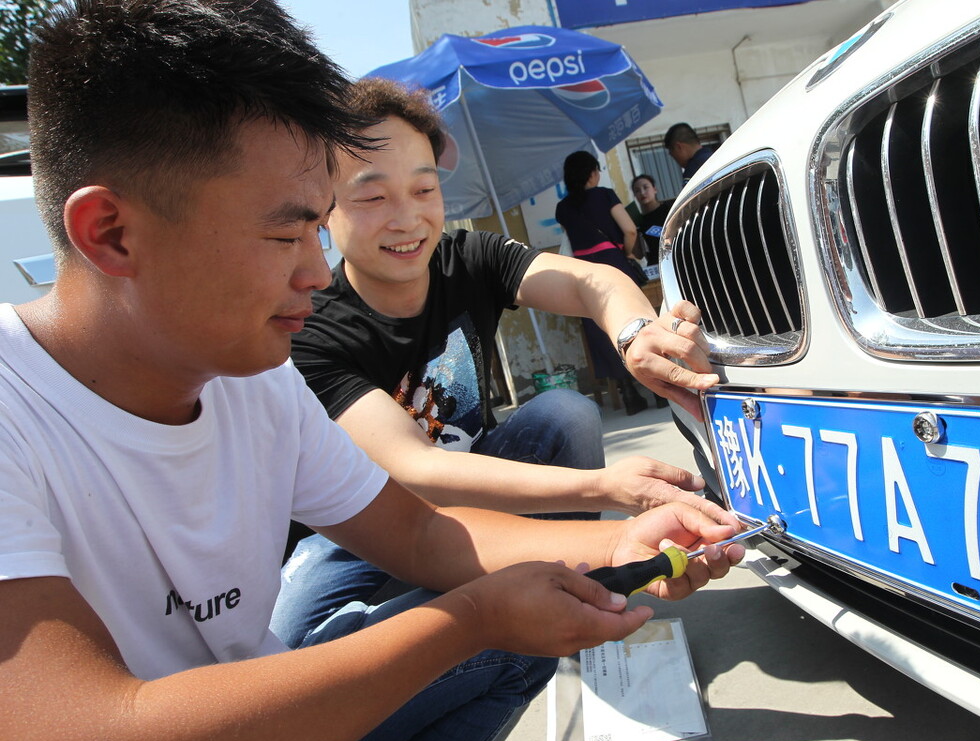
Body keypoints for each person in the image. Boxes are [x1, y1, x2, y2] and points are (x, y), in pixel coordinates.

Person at [0, 4, 743, 741]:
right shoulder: (22, 411)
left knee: (538, 608)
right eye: (288, 236)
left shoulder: (256, 378)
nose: (313, 275)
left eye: (424, 189)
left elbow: (420, 531)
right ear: (111, 233)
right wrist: (471, 618)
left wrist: (618, 543)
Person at [276, 79, 727, 646]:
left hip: (481, 481)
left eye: (424, 189)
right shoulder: (313, 328)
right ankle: (496, 609)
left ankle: (569, 590)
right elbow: (417, 470)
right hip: (366, 522)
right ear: (323, 212)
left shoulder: (467, 255)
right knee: (297, 638)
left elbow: (592, 280)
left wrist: (636, 332)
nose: (407, 219)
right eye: (372, 197)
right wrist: (608, 487)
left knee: (564, 414)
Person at [554, 150, 658, 415]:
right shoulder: (605, 194)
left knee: (601, 330)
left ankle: (628, 393)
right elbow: (630, 229)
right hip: (614, 263)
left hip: (584, 273)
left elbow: (569, 243)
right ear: (592, 173)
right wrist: (626, 252)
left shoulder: (563, 208)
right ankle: (659, 388)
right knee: (636, 320)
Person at [631, 173, 674, 271]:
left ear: (655, 189)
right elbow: (638, 254)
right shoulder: (638, 221)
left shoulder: (669, 209)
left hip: (676, 257)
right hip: (658, 266)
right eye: (637, 191)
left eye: (645, 187)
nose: (642, 193)